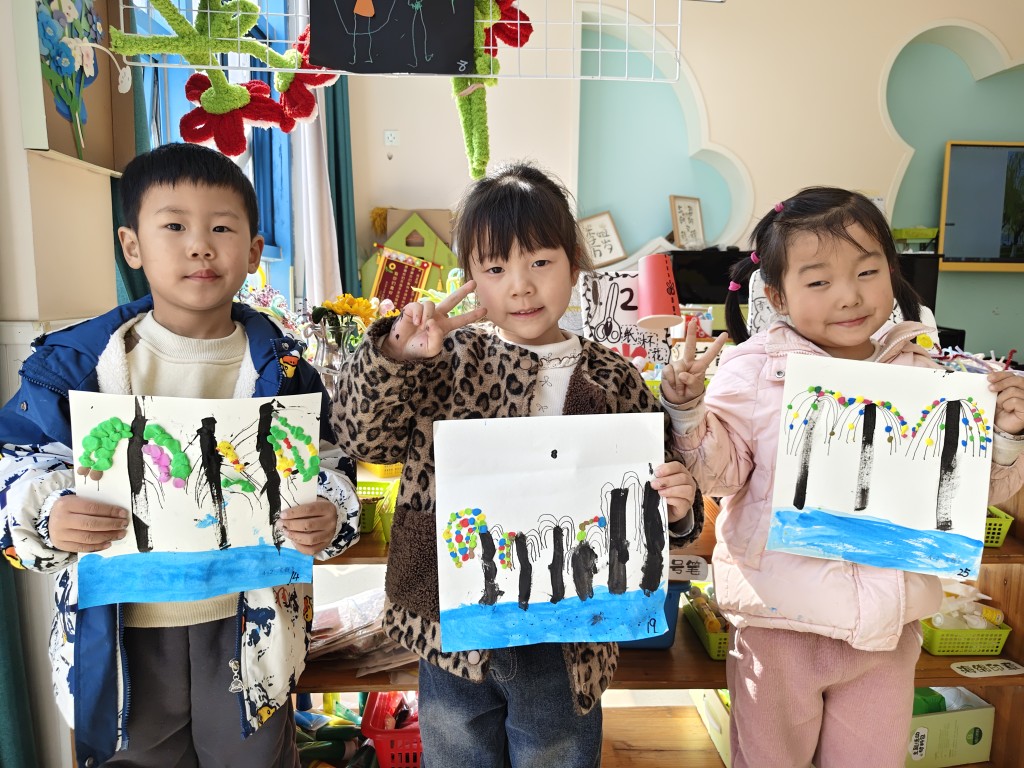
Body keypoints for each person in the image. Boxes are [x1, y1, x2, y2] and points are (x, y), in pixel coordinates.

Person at [331, 161, 703, 768]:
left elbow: (659, 491)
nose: (521, 287)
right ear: (471, 279)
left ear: (574, 265)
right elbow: (361, 436)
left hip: (569, 637)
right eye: (496, 268)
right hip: (451, 625)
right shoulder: (444, 361)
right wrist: (397, 353)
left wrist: (677, 508)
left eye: (540, 262)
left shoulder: (613, 377)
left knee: (556, 755)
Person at [0, 142, 360, 767]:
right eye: (173, 226)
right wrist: (49, 514)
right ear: (131, 246)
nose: (200, 246)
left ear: (254, 251)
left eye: (222, 228)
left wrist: (329, 510)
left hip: (252, 632)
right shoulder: (76, 369)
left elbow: (329, 464)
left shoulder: (285, 370)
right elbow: (18, 463)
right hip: (124, 637)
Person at [661, 186, 1024, 768]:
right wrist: (688, 413)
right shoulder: (754, 371)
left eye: (867, 271)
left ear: (891, 271)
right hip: (780, 625)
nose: (849, 296)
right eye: (819, 281)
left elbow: (972, 495)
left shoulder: (927, 372)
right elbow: (720, 476)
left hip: (885, 632)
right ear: (778, 295)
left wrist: (1004, 436)